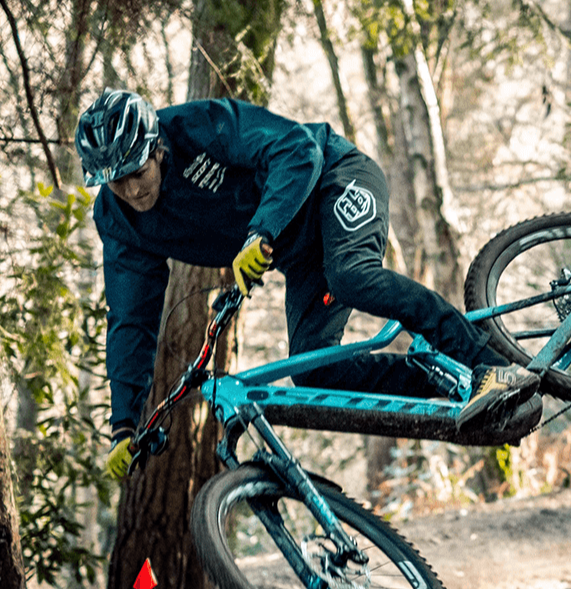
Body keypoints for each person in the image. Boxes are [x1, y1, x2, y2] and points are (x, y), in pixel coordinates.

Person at [74, 88, 540, 479]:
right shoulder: (119, 223)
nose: (133, 190)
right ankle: (452, 385)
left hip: (336, 179)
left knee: (353, 275)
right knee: (313, 370)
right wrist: (123, 425)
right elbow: (130, 319)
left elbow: (296, 149)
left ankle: (490, 364)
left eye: (138, 173)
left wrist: (262, 231)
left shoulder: (198, 126)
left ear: (157, 150)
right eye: (117, 183)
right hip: (302, 257)